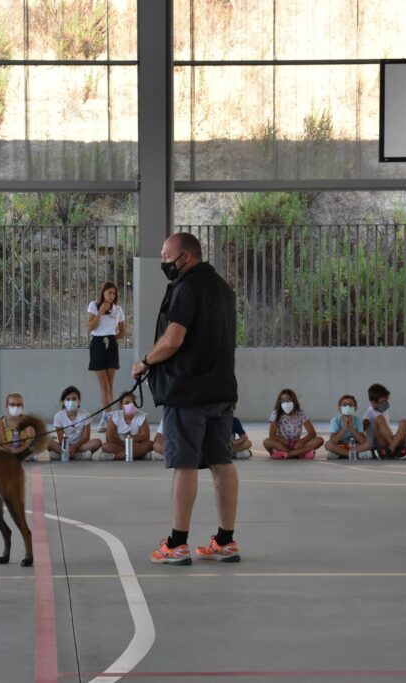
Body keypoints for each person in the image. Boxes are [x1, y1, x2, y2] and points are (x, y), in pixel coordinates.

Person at [131, 232, 240, 565]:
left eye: (166, 256)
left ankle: (177, 543)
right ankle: (225, 541)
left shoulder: (185, 289)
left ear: (186, 257)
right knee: (222, 463)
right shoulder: (223, 289)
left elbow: (173, 339)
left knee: (185, 465)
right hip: (221, 391)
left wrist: (145, 361)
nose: (163, 261)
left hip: (188, 392)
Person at [88, 281, 127, 433]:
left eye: (114, 293)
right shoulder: (94, 305)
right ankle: (108, 418)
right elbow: (90, 327)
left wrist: (110, 340)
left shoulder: (118, 310)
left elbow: (123, 331)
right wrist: (101, 311)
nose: (112, 296)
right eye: (109, 292)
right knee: (104, 385)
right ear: (103, 293)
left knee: (110, 384)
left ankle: (108, 416)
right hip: (97, 343)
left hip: (111, 343)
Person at [262, 389, 323, 460]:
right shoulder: (276, 414)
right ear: (280, 402)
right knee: (266, 442)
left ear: (293, 400)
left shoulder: (301, 413)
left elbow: (312, 434)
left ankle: (285, 454)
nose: (286, 403)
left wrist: (299, 442)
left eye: (288, 400)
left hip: (298, 444)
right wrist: (288, 443)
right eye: (283, 400)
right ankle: (299, 453)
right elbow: (272, 435)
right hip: (282, 444)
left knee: (319, 440)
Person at [49, 386, 102, 461]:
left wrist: (74, 447)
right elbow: (61, 439)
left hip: (80, 445)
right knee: (46, 441)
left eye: (74, 399)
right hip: (65, 446)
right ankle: (78, 456)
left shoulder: (85, 414)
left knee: (97, 442)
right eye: (68, 399)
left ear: (79, 401)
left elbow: (86, 437)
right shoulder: (58, 416)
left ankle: (63, 455)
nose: (71, 401)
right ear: (63, 402)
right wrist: (69, 447)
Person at [363, 383, 406, 458]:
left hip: (389, 440)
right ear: (373, 402)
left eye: (387, 401)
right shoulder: (369, 413)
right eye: (382, 402)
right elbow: (362, 427)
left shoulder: (383, 408)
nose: (385, 404)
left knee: (404, 422)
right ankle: (394, 449)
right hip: (380, 443)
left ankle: (391, 449)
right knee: (380, 418)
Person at [101, 392, 152, 461]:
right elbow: (109, 437)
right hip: (119, 444)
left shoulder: (141, 416)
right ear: (121, 405)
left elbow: (146, 436)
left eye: (133, 403)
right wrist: (125, 445)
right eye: (127, 403)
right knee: (105, 446)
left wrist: (133, 440)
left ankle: (116, 457)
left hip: (135, 443)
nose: (130, 405)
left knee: (148, 444)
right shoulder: (116, 415)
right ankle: (137, 454)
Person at [325, 394, 374, 459]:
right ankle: (352, 454)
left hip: (354, 446)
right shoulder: (335, 421)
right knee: (328, 445)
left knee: (369, 444)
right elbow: (333, 440)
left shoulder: (358, 421)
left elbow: (362, 441)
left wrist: (351, 428)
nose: (347, 407)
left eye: (350, 405)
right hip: (340, 445)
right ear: (339, 408)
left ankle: (341, 454)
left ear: (355, 408)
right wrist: (345, 426)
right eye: (344, 405)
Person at [0, 392, 38, 461]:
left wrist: (21, 448)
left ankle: (24, 457)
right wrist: (11, 449)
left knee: (33, 447)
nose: (15, 407)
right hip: (8, 450)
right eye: (12, 404)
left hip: (24, 450)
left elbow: (29, 440)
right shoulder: (0, 421)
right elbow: (0, 441)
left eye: (19, 405)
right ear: (6, 406)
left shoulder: (27, 420)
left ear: (22, 406)